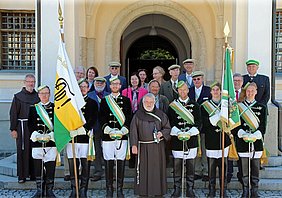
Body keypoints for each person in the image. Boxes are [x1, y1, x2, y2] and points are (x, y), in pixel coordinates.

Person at [130, 93, 171, 197]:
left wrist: (162, 133)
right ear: (143, 103)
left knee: (157, 169)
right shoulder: (137, 115)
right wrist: (133, 145)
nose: (148, 104)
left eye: (151, 102)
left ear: (154, 102)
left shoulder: (161, 115)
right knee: (143, 170)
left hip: (157, 147)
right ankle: (143, 192)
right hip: (142, 147)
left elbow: (168, 128)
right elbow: (133, 130)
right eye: (146, 102)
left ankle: (158, 191)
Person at [100, 76, 132, 198]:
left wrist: (125, 128)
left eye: (117, 84)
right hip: (108, 136)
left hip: (121, 136)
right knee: (108, 162)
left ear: (120, 86)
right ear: (110, 86)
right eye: (113, 84)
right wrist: (106, 128)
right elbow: (101, 116)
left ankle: (119, 188)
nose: (115, 86)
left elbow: (129, 115)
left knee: (120, 161)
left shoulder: (126, 100)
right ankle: (109, 188)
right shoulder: (104, 100)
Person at [168, 81, 201, 198]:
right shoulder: (172, 106)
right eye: (180, 90)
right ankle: (177, 189)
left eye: (185, 89)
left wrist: (189, 132)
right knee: (177, 166)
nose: (183, 92)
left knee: (191, 166)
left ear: (188, 90)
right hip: (177, 140)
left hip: (191, 140)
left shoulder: (195, 105)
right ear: (177, 91)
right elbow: (169, 122)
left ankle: (190, 189)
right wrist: (177, 132)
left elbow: (199, 123)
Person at [67, 79, 98, 198]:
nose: (83, 89)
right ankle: (74, 189)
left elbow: (93, 118)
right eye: (81, 87)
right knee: (72, 165)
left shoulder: (92, 103)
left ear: (88, 88)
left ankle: (83, 189)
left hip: (85, 138)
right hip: (73, 138)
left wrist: (84, 129)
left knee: (85, 166)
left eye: (85, 86)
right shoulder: (71, 103)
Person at [236, 82, 267, 198]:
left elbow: (263, 126)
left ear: (256, 92)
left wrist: (256, 135)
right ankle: (245, 190)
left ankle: (254, 191)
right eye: (248, 91)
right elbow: (236, 125)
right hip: (243, 141)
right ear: (245, 92)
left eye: (252, 91)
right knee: (244, 169)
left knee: (255, 168)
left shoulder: (262, 107)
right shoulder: (239, 107)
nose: (250, 93)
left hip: (256, 142)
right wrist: (241, 133)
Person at [201, 82, 231, 197]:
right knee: (212, 167)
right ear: (210, 92)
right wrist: (215, 118)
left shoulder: (226, 105)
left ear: (220, 91)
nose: (215, 91)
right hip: (211, 139)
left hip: (224, 139)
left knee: (223, 167)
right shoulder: (205, 106)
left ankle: (223, 190)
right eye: (213, 89)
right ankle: (212, 190)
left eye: (217, 89)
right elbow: (204, 123)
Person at [10, 74, 40, 183]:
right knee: (22, 151)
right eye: (29, 81)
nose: (31, 84)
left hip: (34, 129)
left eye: (33, 82)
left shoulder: (38, 96)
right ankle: (22, 176)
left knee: (34, 150)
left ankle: (33, 174)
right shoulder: (18, 97)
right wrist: (13, 129)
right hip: (21, 128)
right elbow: (13, 113)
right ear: (24, 82)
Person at [28, 85, 57, 198]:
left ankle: (49, 190)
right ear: (38, 95)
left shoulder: (55, 108)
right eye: (42, 93)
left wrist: (52, 134)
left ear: (49, 94)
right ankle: (39, 190)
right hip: (37, 142)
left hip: (51, 142)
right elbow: (30, 124)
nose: (44, 95)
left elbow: (58, 124)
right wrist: (35, 134)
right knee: (38, 166)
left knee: (50, 166)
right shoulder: (33, 108)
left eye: (46, 93)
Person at [189, 71, 211, 181]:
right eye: (194, 79)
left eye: (198, 79)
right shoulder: (189, 91)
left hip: (206, 126)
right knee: (196, 149)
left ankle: (206, 171)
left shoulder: (208, 90)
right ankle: (197, 171)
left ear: (202, 79)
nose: (196, 81)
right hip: (194, 125)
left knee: (204, 149)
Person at [88, 77, 110, 181]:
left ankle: (109, 171)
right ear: (94, 83)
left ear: (105, 84)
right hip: (94, 127)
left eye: (102, 83)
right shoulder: (89, 95)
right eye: (97, 82)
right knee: (97, 150)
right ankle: (98, 171)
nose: (99, 84)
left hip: (107, 127)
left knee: (108, 150)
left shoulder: (109, 95)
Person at [227, 73, 245, 184]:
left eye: (239, 80)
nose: (236, 82)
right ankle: (228, 174)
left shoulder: (246, 93)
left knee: (241, 151)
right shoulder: (228, 94)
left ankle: (241, 175)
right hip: (230, 127)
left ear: (242, 82)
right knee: (229, 152)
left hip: (242, 128)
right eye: (234, 80)